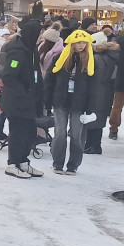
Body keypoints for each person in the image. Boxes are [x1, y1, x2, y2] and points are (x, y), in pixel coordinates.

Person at [44, 30, 97, 175]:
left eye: (83, 43)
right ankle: (58, 163)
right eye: (78, 42)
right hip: (60, 101)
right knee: (60, 133)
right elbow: (50, 80)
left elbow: (94, 86)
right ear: (72, 43)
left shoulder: (91, 61)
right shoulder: (60, 59)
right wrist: (47, 101)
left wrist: (91, 107)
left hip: (79, 104)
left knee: (76, 135)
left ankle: (73, 164)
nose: (80, 45)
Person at [0, 20, 45, 179]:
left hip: (29, 100)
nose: (41, 37)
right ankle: (12, 164)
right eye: (39, 34)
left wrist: (39, 93)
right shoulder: (18, 51)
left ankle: (23, 162)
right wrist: (24, 93)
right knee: (18, 133)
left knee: (30, 132)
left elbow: (35, 74)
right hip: (16, 100)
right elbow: (9, 77)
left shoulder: (31, 50)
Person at [84, 40, 120, 154]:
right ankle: (96, 145)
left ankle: (90, 145)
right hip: (107, 92)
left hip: (93, 91)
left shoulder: (96, 58)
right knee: (99, 118)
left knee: (91, 118)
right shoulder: (115, 59)